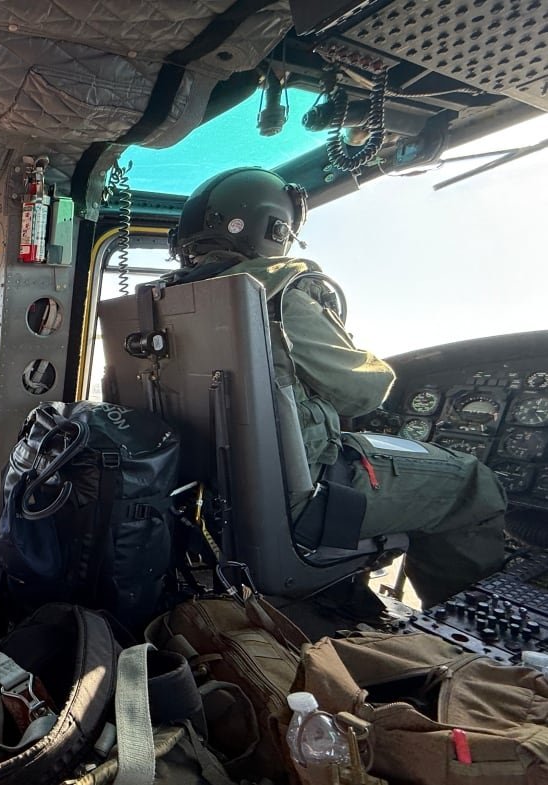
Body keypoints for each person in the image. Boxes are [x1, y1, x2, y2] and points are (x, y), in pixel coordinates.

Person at [165, 166, 508, 606]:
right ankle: (468, 640)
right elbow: (362, 393)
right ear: (275, 228)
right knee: (472, 484)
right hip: (305, 497)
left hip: (208, 500)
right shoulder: (273, 293)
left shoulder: (168, 302)